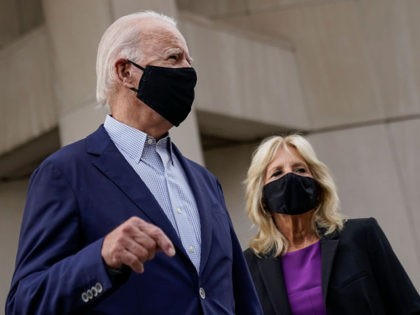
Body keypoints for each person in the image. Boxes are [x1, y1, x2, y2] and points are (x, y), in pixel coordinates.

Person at [6, 11, 262, 315]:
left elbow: (242, 297)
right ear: (125, 72)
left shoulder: (206, 182)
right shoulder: (64, 173)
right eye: (174, 58)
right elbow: (25, 303)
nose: (188, 71)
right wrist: (99, 259)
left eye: (189, 61)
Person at [243, 134, 420, 315]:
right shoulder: (248, 266)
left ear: (318, 186)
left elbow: (408, 306)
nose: (290, 176)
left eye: (300, 170)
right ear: (262, 198)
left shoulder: (361, 235)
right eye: (277, 173)